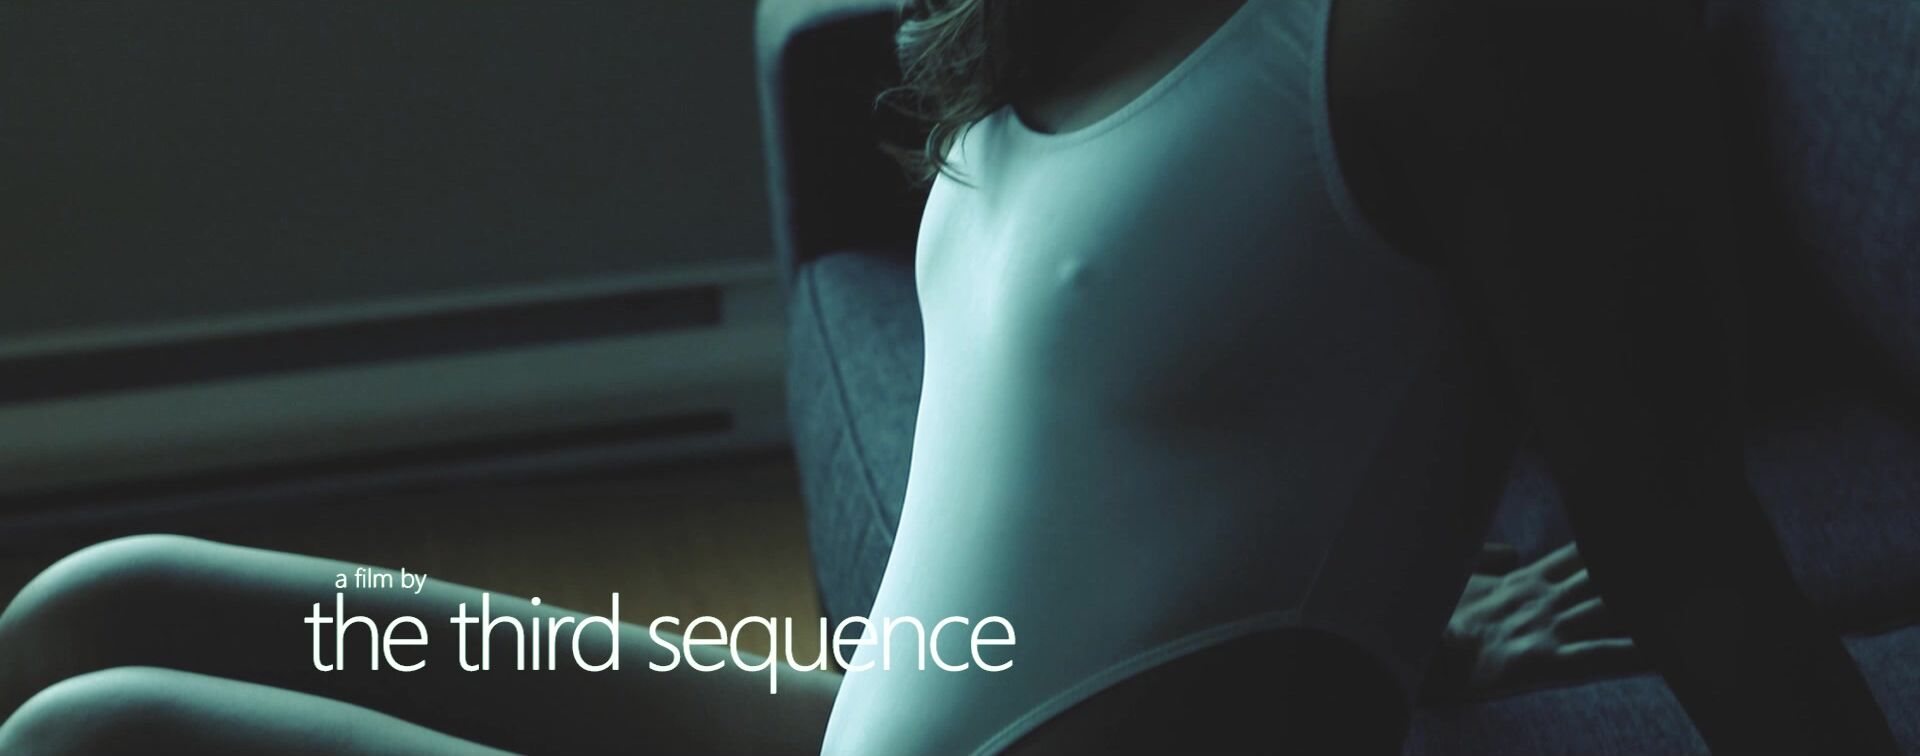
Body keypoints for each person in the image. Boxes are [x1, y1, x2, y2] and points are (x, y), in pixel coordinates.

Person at [0, 1, 1896, 754]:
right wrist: (1395, 620)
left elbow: (1697, 562)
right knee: (106, 601)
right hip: (876, 713)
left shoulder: (1473, 34)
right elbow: (1190, 442)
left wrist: (1353, 628)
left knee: (97, 736)